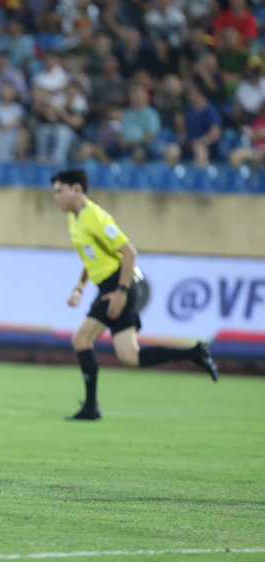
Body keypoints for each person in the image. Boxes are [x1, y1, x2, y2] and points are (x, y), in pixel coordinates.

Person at [51, 169, 219, 421]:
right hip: (109, 287)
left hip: (118, 286)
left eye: (59, 190)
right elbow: (90, 257)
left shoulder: (94, 216)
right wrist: (79, 288)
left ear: (77, 189)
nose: (56, 196)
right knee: (130, 356)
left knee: (81, 339)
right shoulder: (74, 218)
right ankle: (194, 352)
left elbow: (129, 252)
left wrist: (121, 292)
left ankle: (90, 407)